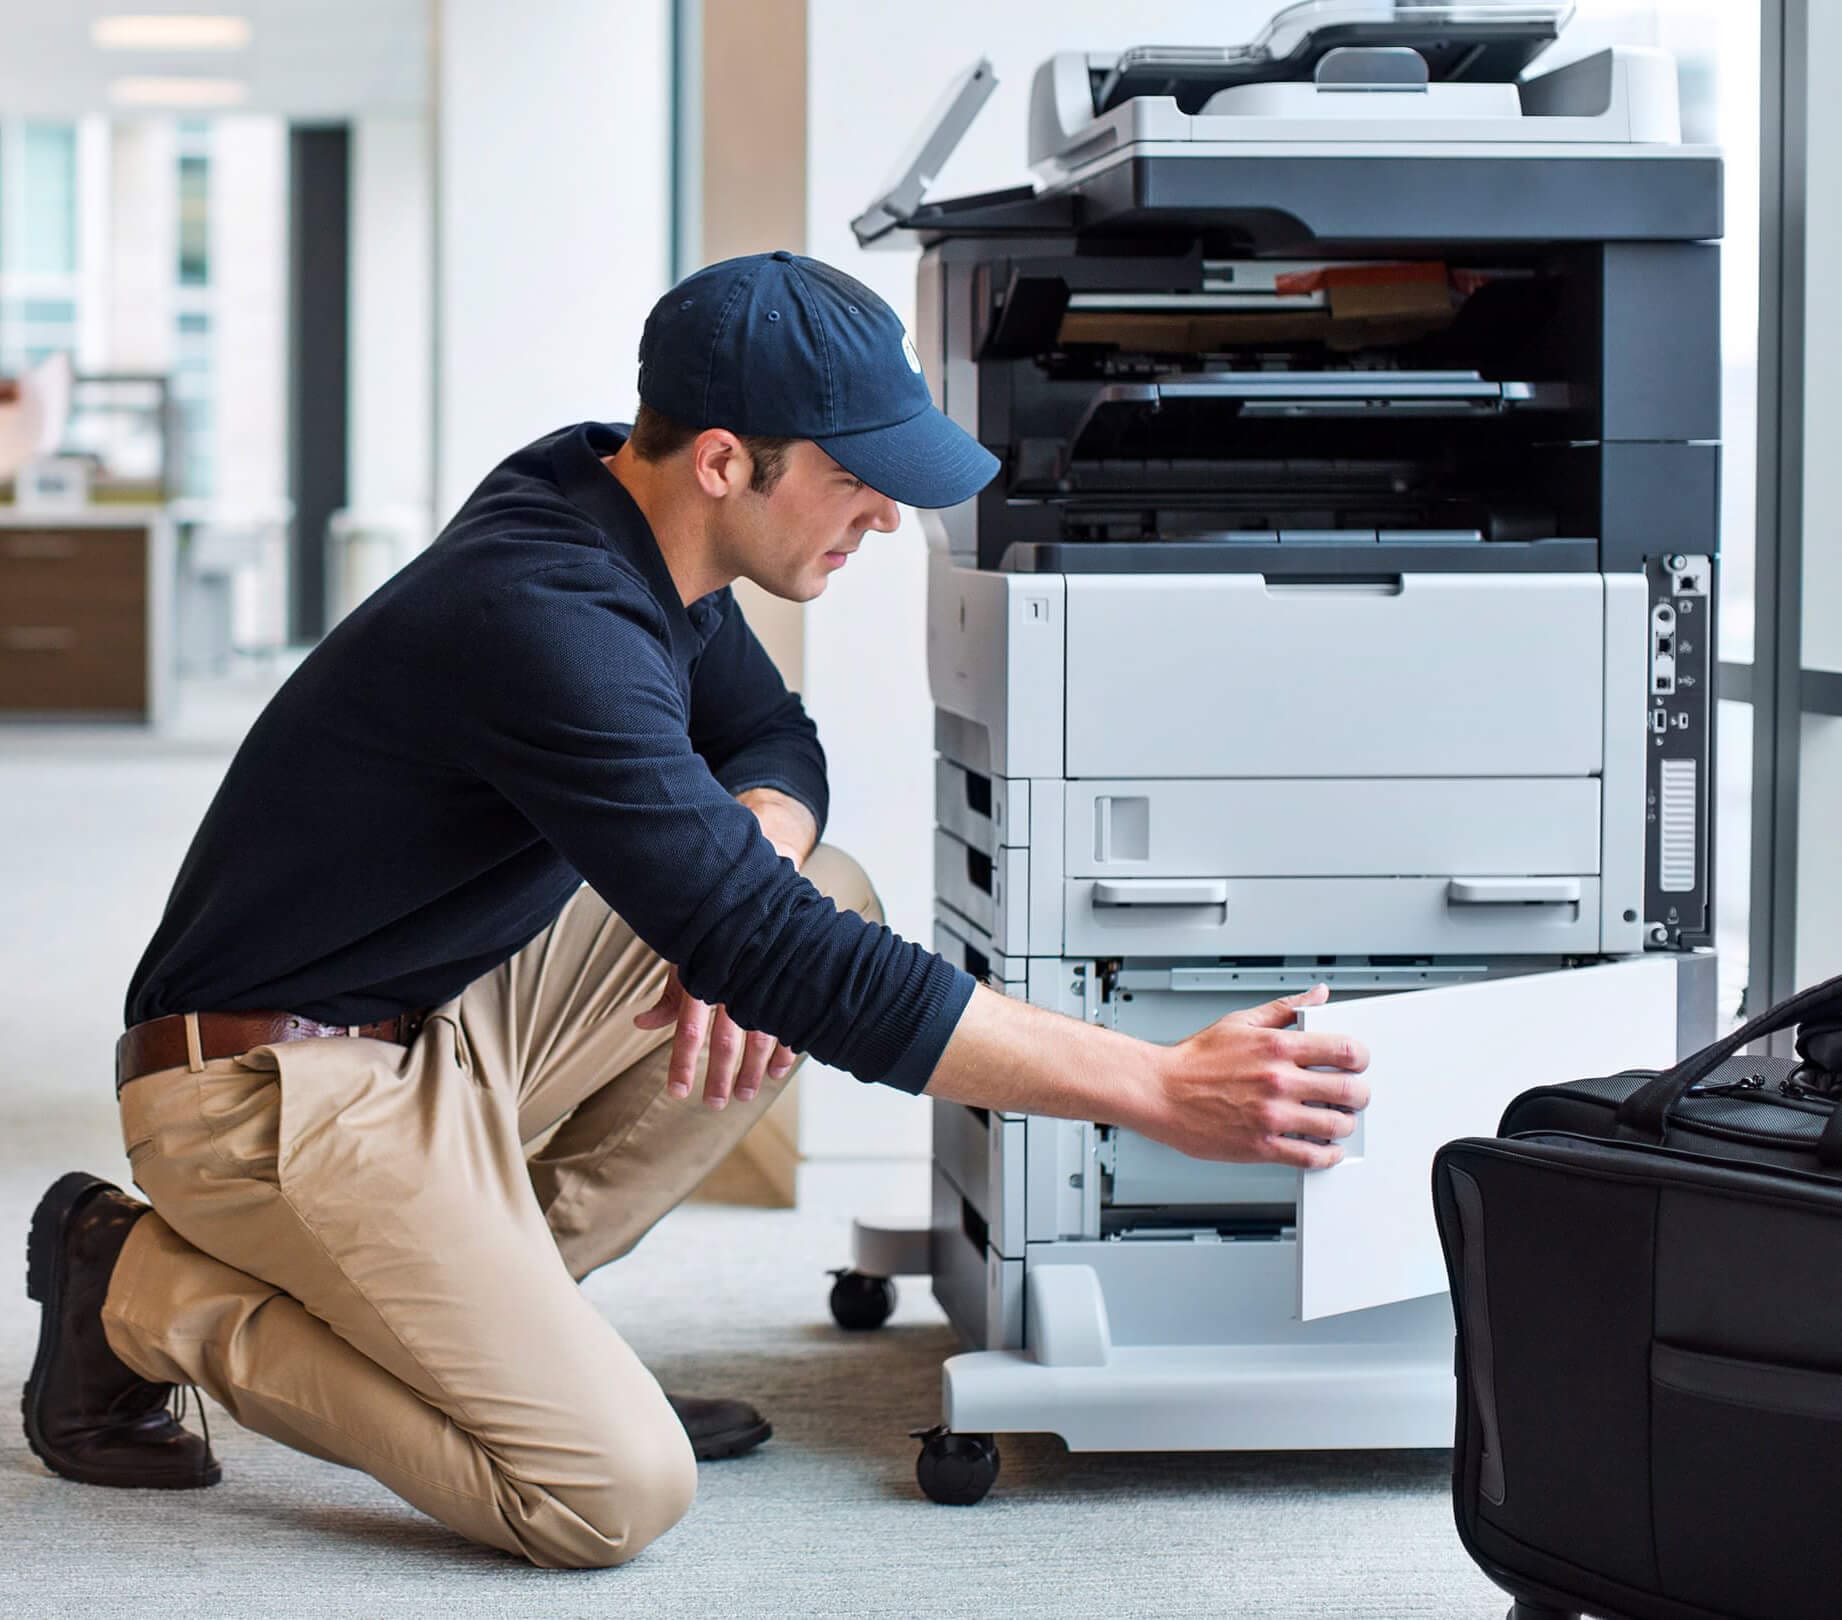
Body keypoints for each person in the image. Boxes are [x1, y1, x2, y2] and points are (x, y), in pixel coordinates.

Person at [23, 251, 1370, 1568]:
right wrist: (1151, 1085)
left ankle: (507, 1337)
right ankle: (137, 1289)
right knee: (605, 1490)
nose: (885, 519)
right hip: (262, 1090)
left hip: (434, 1020)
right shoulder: (545, 612)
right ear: (727, 461)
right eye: (855, 481)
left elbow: (775, 743)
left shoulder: (619, 506)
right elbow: (786, 962)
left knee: (809, 887)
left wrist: (756, 853)